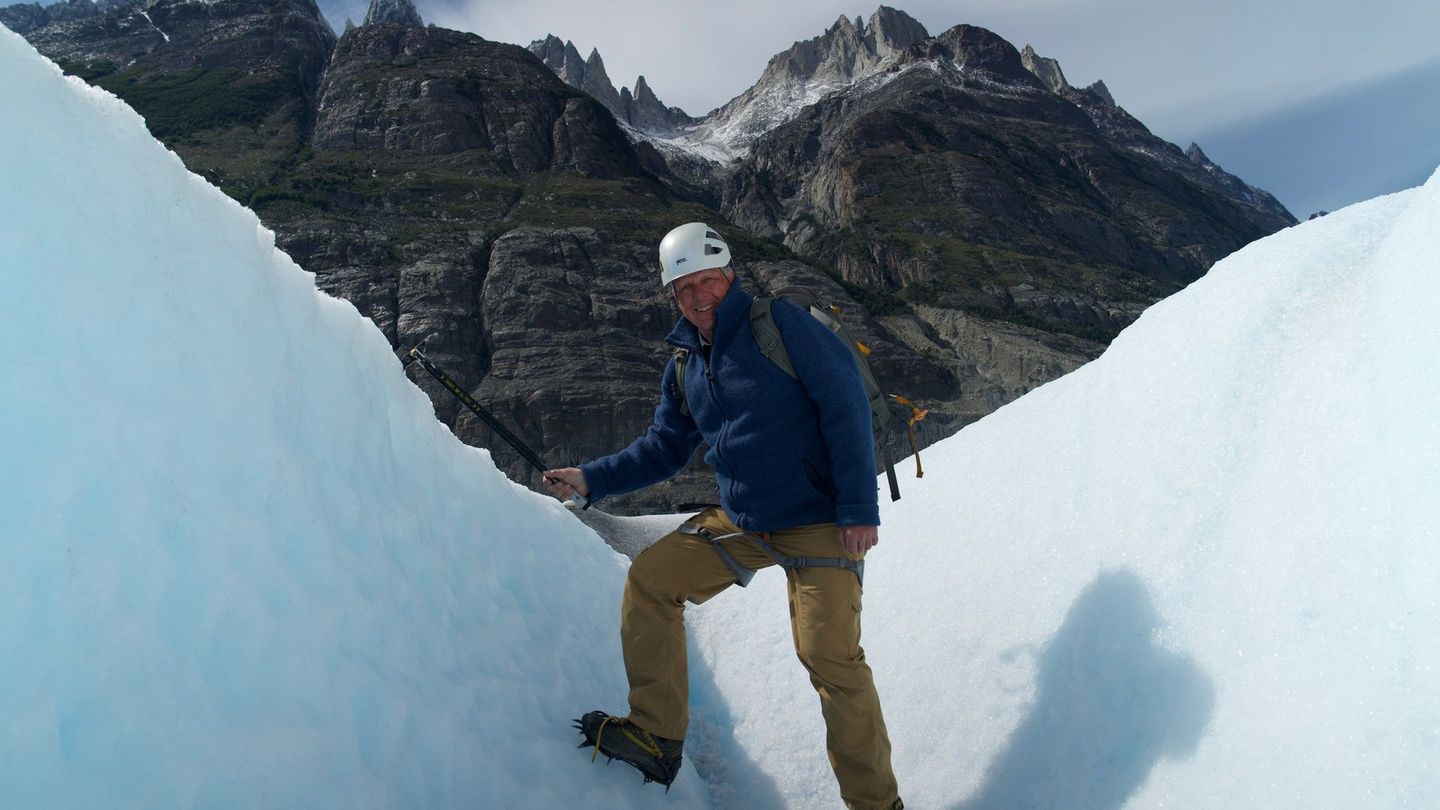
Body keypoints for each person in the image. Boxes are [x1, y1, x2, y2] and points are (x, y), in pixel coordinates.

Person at [544, 222, 902, 810]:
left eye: (707, 280)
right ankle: (656, 735)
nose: (698, 295)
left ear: (729, 275)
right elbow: (664, 447)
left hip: (820, 519)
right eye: (684, 287)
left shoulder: (783, 326)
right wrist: (591, 478)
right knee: (652, 582)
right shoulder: (686, 362)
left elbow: (846, 411)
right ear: (672, 295)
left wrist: (859, 510)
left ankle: (876, 805)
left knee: (829, 657)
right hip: (745, 520)